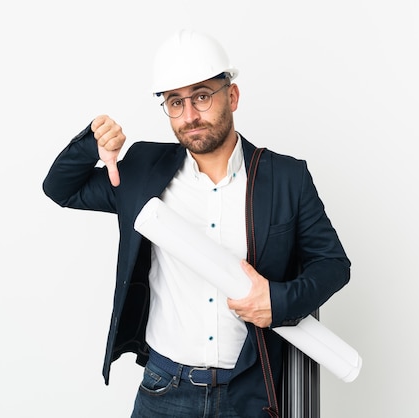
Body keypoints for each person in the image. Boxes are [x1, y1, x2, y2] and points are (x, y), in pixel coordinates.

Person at [43, 29, 350, 418]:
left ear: (232, 96)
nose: (189, 116)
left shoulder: (287, 178)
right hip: (163, 389)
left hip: (250, 393)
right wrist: (93, 143)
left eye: (202, 96)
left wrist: (277, 301)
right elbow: (61, 190)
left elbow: (333, 265)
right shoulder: (141, 171)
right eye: (175, 102)